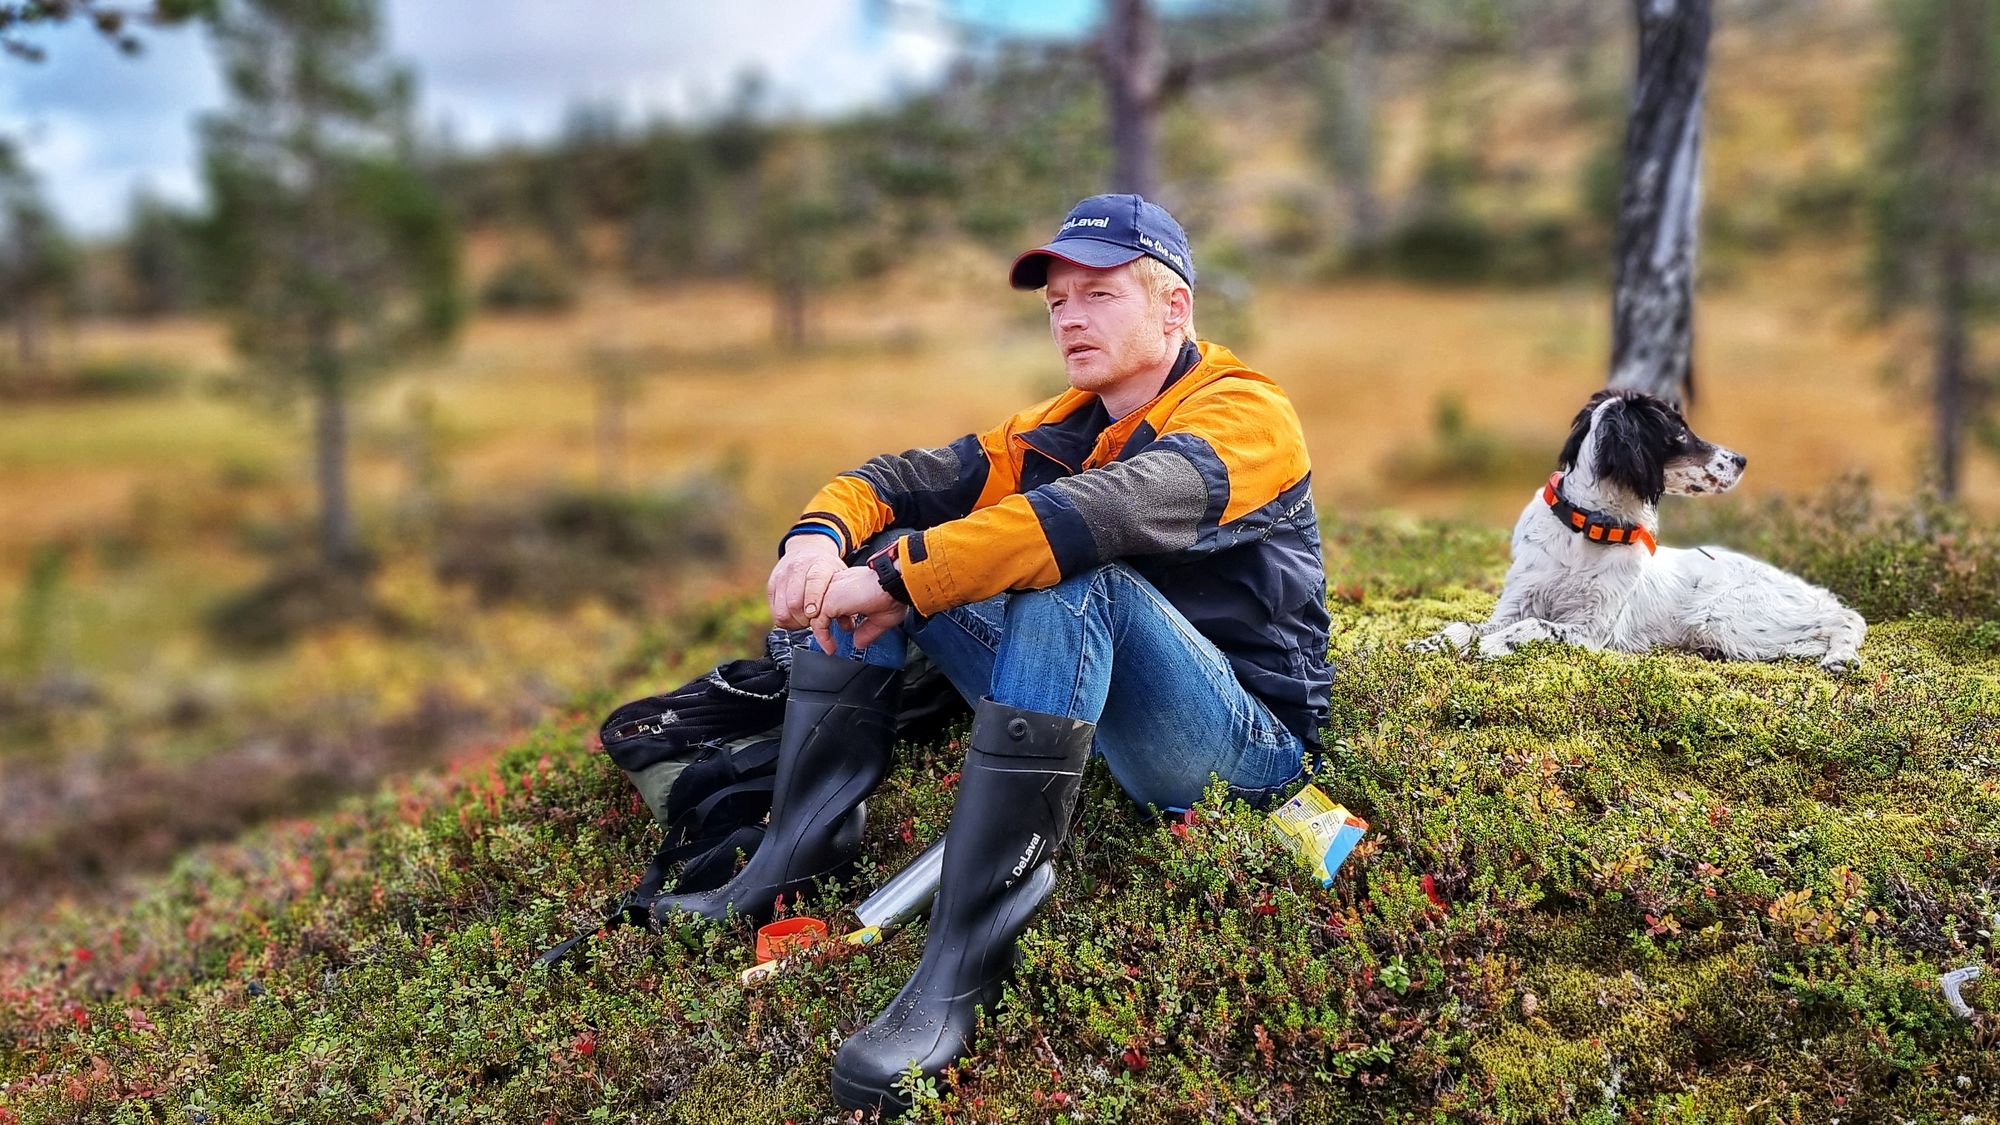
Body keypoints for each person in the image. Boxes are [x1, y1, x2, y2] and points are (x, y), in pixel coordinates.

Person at [648, 193, 1333, 1114]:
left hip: (1244, 748)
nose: (1070, 319)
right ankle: (794, 858)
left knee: (1060, 568)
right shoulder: (1063, 421)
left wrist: (901, 583)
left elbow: (1105, 512)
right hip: (1112, 711)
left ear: (1174, 307)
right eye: (1057, 303)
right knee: (895, 543)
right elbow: (899, 480)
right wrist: (816, 542)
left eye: (1097, 295)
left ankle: (956, 978)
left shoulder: (1247, 412)